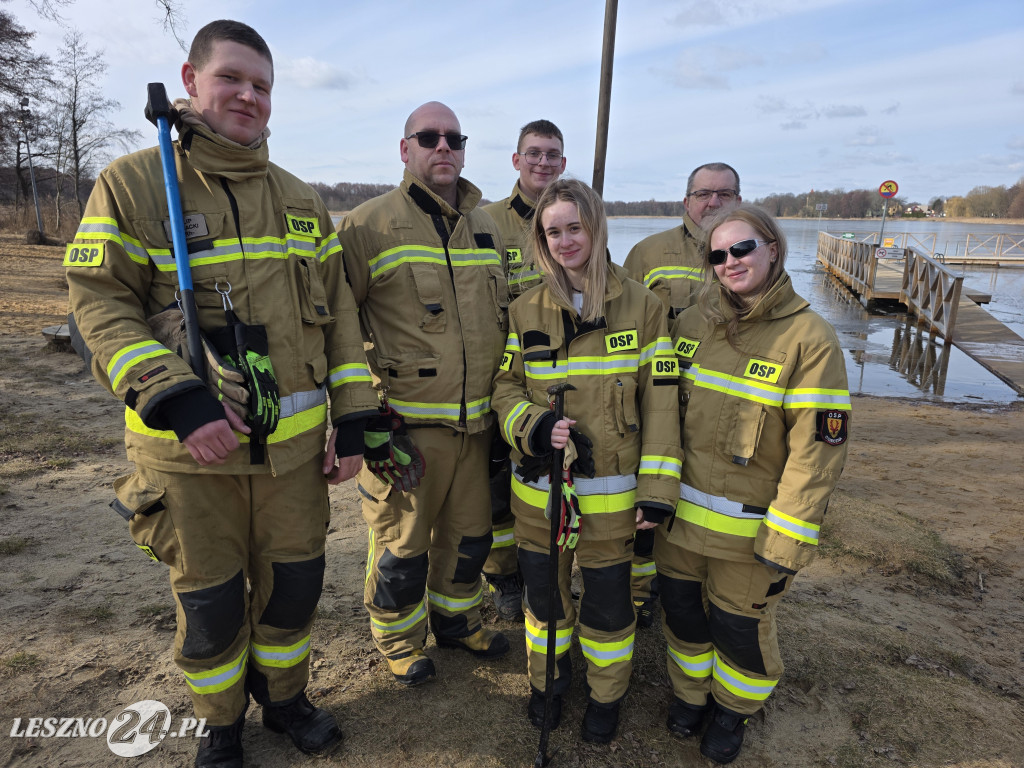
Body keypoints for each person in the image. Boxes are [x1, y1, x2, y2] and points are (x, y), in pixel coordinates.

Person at [64, 20, 378, 767]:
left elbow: (339, 321)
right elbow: (98, 304)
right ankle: (220, 723)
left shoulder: (301, 200)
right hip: (191, 457)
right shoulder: (133, 184)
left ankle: (286, 699)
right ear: (190, 80)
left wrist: (354, 420)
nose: (248, 96)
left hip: (295, 460)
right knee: (209, 603)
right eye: (231, 78)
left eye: (262, 85)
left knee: (294, 590)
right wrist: (178, 399)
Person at [657, 204, 850, 763]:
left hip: (749, 534)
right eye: (718, 254)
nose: (730, 262)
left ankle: (733, 710)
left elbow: (816, 456)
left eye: (742, 248)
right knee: (682, 614)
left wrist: (786, 539)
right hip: (678, 523)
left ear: (772, 248)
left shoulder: (810, 338)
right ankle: (690, 694)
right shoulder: (691, 325)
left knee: (739, 628)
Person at [491, 178, 681, 744]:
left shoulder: (645, 307)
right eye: (553, 232)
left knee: (607, 609)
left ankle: (606, 696)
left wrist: (657, 491)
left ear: (596, 228)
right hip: (539, 498)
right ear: (541, 241)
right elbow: (505, 387)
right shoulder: (524, 309)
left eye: (575, 227)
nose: (566, 241)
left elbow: (662, 403)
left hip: (614, 502)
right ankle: (547, 684)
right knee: (544, 601)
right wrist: (533, 424)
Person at [337, 101, 511, 688]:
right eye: (429, 137)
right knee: (402, 546)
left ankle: (458, 622)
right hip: (405, 430)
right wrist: (362, 415)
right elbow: (338, 327)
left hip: (478, 427)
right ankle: (399, 641)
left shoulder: (487, 227)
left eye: (454, 139)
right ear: (404, 148)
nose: (444, 147)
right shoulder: (366, 225)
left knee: (470, 539)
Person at [621, 161, 742, 629]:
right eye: (704, 193)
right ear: (686, 200)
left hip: (720, 405)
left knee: (703, 496)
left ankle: (697, 583)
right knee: (647, 497)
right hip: (655, 400)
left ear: (739, 200)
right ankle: (639, 593)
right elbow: (621, 318)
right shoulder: (648, 253)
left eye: (725, 194)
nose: (714, 202)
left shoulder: (748, 251)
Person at [480, 119, 567, 621]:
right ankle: (504, 575)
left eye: (552, 154)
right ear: (516, 160)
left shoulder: (579, 218)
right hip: (502, 375)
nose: (542, 162)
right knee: (496, 485)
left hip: (561, 377)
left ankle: (548, 569)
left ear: (563, 162)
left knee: (545, 477)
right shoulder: (486, 222)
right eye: (533, 153)